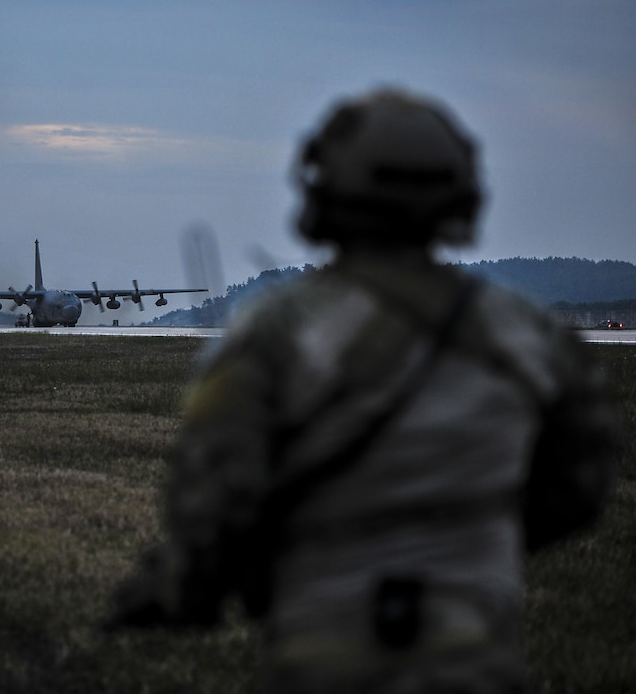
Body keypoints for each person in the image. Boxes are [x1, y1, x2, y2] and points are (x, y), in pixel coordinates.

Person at [106, 89, 619, 693]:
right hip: (480, 668)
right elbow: (583, 487)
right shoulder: (531, 335)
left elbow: (213, 506)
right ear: (461, 196)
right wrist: (470, 541)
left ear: (324, 194)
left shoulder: (273, 333)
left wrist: (183, 587)